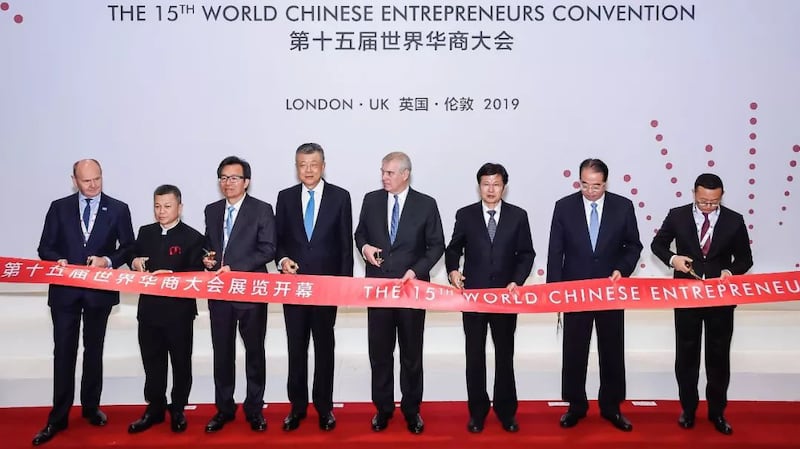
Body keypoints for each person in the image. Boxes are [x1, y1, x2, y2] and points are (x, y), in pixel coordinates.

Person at [33, 159, 135, 446]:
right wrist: (57, 260)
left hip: (98, 292)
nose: (93, 186)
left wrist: (108, 260)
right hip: (65, 291)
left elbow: (128, 246)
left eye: (97, 179)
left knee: (94, 350)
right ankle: (58, 416)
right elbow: (45, 247)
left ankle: (91, 407)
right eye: (86, 181)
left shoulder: (118, 208)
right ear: (74, 180)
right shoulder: (59, 207)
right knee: (64, 352)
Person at [651, 173, 753, 435]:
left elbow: (745, 258)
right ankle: (688, 409)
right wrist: (673, 259)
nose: (708, 206)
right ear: (694, 194)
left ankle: (717, 412)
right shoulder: (677, 215)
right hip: (686, 297)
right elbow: (657, 244)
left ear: (721, 196)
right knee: (686, 355)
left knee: (718, 357)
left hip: (721, 299)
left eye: (714, 202)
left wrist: (731, 271)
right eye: (704, 201)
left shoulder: (734, 220)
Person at [546, 158, 642, 432]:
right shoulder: (564, 206)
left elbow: (633, 246)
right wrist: (555, 291)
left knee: (612, 350)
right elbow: (556, 250)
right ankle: (576, 406)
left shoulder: (622, 206)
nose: (590, 191)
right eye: (585, 185)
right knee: (574, 351)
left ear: (606, 183)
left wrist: (621, 269)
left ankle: (611, 407)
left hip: (610, 291)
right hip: (575, 293)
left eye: (596, 186)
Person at [354, 151, 445, 434]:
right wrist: (365, 248)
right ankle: (382, 409)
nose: (384, 177)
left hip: (411, 290)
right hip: (379, 290)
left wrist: (416, 270)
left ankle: (411, 409)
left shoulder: (426, 204)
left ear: (405, 174)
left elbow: (436, 245)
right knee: (380, 353)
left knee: (410, 353)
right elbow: (360, 235)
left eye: (390, 173)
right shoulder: (371, 200)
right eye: (382, 171)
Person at [444, 163, 535, 433]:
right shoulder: (466, 215)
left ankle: (507, 412)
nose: (491, 189)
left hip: (506, 299)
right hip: (473, 298)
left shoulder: (518, 216)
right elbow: (453, 249)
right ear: (479, 186)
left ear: (504, 186)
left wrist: (516, 280)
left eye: (496, 184)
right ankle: (478, 412)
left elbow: (526, 254)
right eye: (486, 184)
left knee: (505, 356)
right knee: (474, 356)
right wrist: (453, 272)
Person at [275, 143, 353, 432]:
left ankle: (324, 408)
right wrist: (282, 260)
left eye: (313, 164)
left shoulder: (340, 197)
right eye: (301, 164)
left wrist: (343, 285)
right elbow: (278, 240)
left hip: (326, 289)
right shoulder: (284, 198)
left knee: (324, 348)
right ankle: (296, 408)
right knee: (296, 349)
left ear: (323, 165)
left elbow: (346, 245)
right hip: (294, 288)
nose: (307, 170)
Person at [202, 156, 276, 433]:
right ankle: (224, 408)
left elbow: (268, 248)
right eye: (223, 177)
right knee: (222, 353)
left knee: (254, 352)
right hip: (219, 294)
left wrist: (236, 268)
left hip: (250, 293)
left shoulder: (262, 209)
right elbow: (209, 245)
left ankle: (254, 409)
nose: (227, 183)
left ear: (246, 182)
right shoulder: (211, 210)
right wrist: (207, 260)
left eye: (234, 178)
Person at [127, 185, 205, 434]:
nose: (161, 211)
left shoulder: (193, 237)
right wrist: (134, 262)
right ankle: (155, 407)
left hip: (179, 313)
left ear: (180, 208)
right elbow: (134, 258)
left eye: (167, 206)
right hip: (148, 311)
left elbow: (197, 274)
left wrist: (172, 276)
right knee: (152, 361)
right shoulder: (145, 232)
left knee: (181, 362)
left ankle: (179, 407)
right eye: (157, 206)